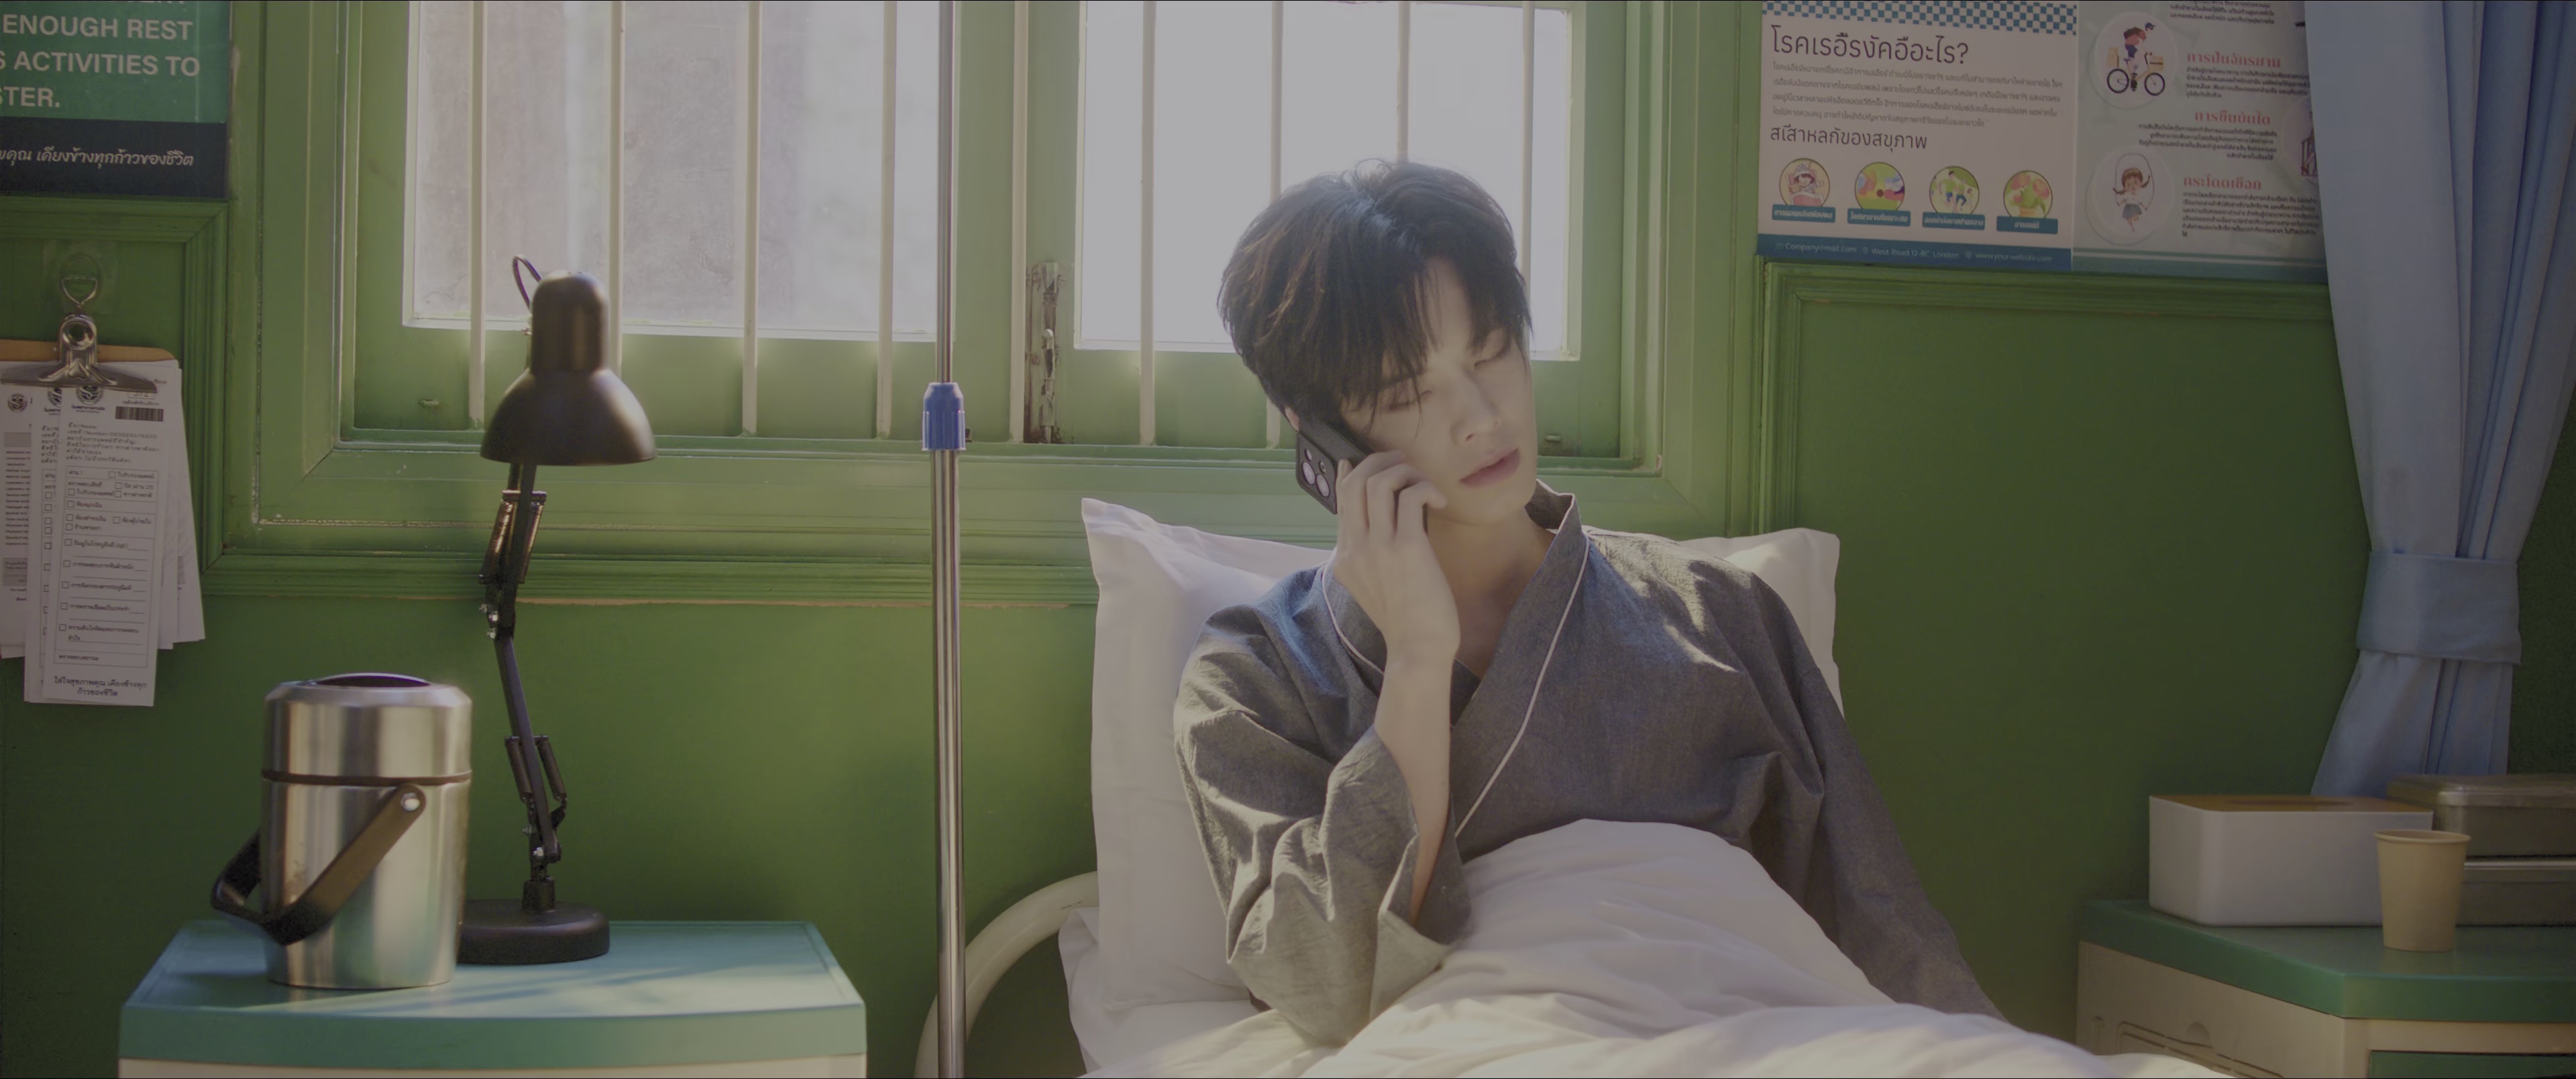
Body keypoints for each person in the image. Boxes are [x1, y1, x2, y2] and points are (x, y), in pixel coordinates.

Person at [1174, 159, 1998, 1045]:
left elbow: (1886, 928)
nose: (1480, 416)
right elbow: (1329, 980)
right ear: (1321, 432)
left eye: (1491, 351)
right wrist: (1415, 660)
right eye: (1408, 392)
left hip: (1764, 1034)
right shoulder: (1253, 675)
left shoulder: (1723, 615)